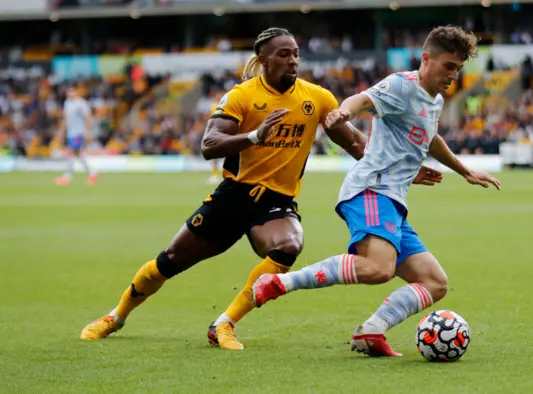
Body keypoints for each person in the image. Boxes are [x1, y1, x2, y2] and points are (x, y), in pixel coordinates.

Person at [79, 27, 442, 348]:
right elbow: (209, 144)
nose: (293, 60)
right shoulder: (242, 96)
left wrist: (407, 170)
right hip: (233, 196)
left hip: (276, 202)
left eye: (296, 53)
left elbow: (358, 146)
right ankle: (117, 315)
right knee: (169, 261)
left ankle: (225, 323)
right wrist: (254, 135)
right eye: (284, 54)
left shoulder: (316, 98)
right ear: (263, 60)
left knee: (288, 245)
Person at [251, 26, 501, 357]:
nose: (454, 75)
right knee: (379, 268)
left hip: (393, 202)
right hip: (371, 189)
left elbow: (431, 137)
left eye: (458, 69)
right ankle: (280, 283)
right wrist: (345, 112)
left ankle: (371, 332)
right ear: (427, 59)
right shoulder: (401, 85)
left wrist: (463, 169)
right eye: (449, 66)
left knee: (435, 283)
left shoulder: (436, 100)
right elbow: (364, 99)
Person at [55, 87, 98, 185]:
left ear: (76, 92)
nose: (69, 94)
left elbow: (87, 118)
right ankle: (92, 172)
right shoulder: (67, 103)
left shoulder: (81, 104)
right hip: (71, 133)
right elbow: (65, 119)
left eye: (71, 92)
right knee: (77, 154)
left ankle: (67, 177)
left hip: (79, 133)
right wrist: (61, 131)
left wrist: (88, 132)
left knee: (71, 152)